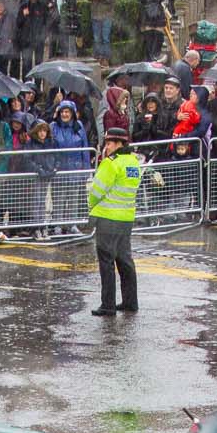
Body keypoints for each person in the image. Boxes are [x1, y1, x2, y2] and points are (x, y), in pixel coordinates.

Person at [86, 124, 150, 316]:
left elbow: (96, 191)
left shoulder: (110, 163)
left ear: (118, 144)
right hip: (126, 217)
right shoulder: (132, 162)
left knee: (106, 261)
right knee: (125, 260)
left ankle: (108, 305)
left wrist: (90, 205)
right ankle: (130, 301)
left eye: (110, 142)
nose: (107, 146)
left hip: (107, 217)